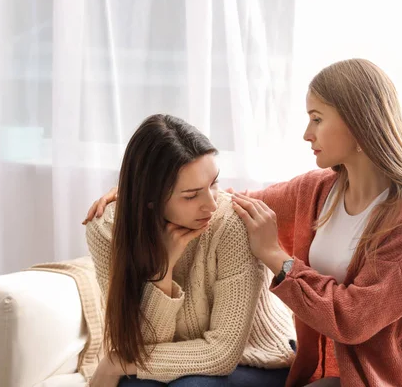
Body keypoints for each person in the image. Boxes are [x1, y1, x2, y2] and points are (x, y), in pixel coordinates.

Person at [84, 59, 402, 386]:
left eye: (316, 119)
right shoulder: (316, 191)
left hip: (400, 377)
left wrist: (277, 259)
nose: (306, 133)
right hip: (340, 376)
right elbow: (231, 203)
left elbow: (355, 318)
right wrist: (140, 192)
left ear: (359, 125)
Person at [84, 114, 295, 387]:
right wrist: (163, 269)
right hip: (172, 354)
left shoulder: (232, 226)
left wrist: (116, 362)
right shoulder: (107, 230)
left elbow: (221, 353)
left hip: (256, 357)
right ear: (149, 199)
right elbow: (141, 343)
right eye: (191, 195)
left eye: (213, 184)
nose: (210, 204)